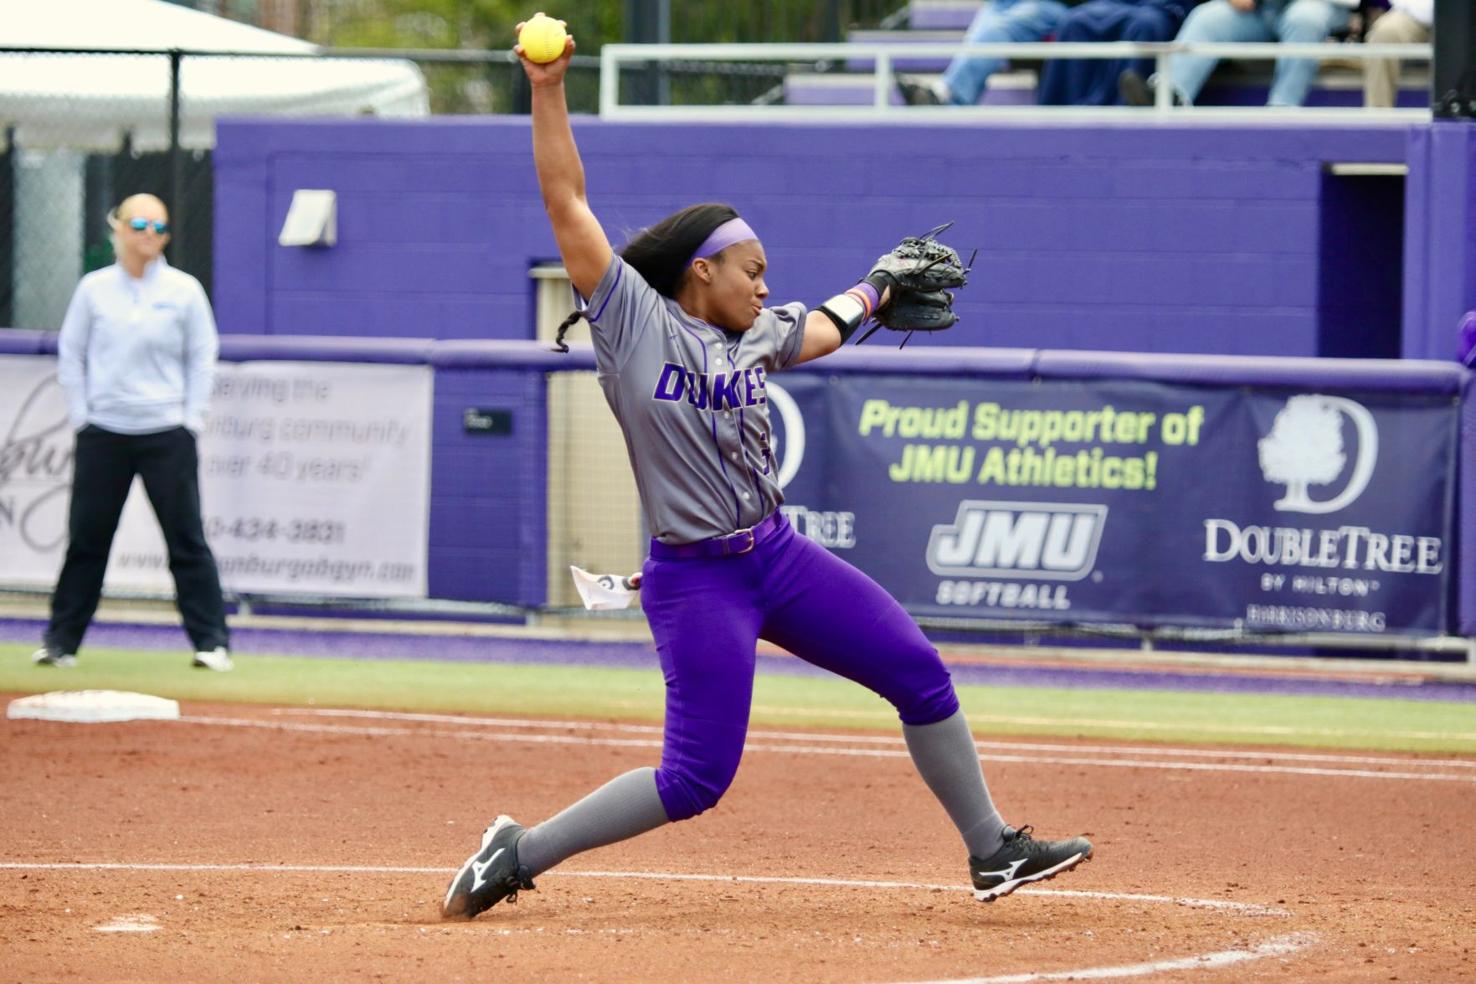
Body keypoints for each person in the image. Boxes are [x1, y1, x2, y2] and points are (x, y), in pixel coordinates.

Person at [440, 20, 1094, 921]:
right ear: (700, 271)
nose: (761, 285)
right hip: (698, 578)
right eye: (750, 271)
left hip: (778, 559)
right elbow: (568, 205)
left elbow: (820, 324)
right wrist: (548, 89)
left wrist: (878, 290)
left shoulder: (749, 332)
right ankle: (520, 852)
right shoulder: (633, 321)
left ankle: (991, 850)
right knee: (696, 777)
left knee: (918, 672)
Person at [31, 193, 233, 672]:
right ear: (117, 227)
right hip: (104, 432)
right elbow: (72, 354)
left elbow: (202, 355)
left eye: (159, 227)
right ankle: (61, 642)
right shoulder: (94, 289)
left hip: (166, 432)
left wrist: (190, 419)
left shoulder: (184, 291)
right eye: (139, 223)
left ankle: (212, 642)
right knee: (87, 539)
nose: (149, 234)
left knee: (185, 539)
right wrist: (83, 416)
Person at [1117, 0, 1355, 108]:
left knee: (1304, 19)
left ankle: (1282, 109)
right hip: (1261, 10)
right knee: (1208, 17)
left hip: (1317, 5)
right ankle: (1170, 94)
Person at [896, 0, 1076, 107]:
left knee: (997, 29)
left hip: (1057, 5)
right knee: (990, 12)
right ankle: (949, 95)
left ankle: (948, 98)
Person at [1036, 0, 1203, 105]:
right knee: (1074, 22)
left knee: (1145, 25)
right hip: (1119, 3)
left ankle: (1122, 115)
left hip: (1165, 5)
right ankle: (1058, 119)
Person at [1362, 0, 1431, 108]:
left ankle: (1463, 115)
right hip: (1413, 15)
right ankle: (1378, 117)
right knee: (1383, 35)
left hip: (1463, 16)